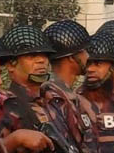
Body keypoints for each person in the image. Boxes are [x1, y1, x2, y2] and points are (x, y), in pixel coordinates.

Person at [0, 25, 79, 150]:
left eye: (44, 55)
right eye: (31, 56)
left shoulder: (56, 100)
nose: (41, 60)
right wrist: (16, 139)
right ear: (11, 65)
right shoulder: (3, 106)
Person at [41, 19, 97, 152]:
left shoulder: (68, 94)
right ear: (72, 57)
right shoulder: (53, 95)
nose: (88, 56)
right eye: (84, 51)